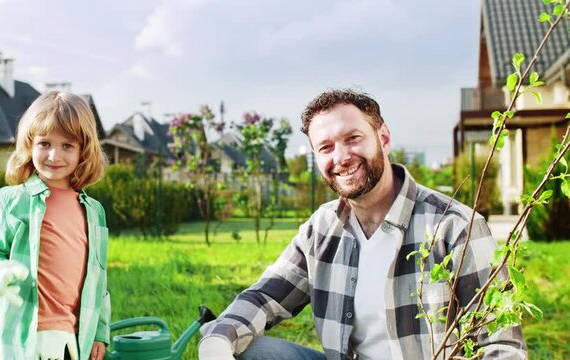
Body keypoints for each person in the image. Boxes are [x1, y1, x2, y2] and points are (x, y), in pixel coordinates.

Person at [198, 89, 527, 359]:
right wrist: (218, 338)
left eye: (352, 138)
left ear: (383, 138)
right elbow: (263, 297)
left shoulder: (455, 227)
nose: (340, 157)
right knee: (251, 351)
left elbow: (502, 345)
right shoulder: (321, 229)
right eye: (325, 147)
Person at [0, 91, 111, 360]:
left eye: (67, 146)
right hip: (30, 331)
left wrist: (100, 332)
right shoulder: (13, 202)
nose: (54, 155)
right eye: (45, 143)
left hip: (77, 334)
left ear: (84, 150)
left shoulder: (94, 212)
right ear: (29, 144)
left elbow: (100, 279)